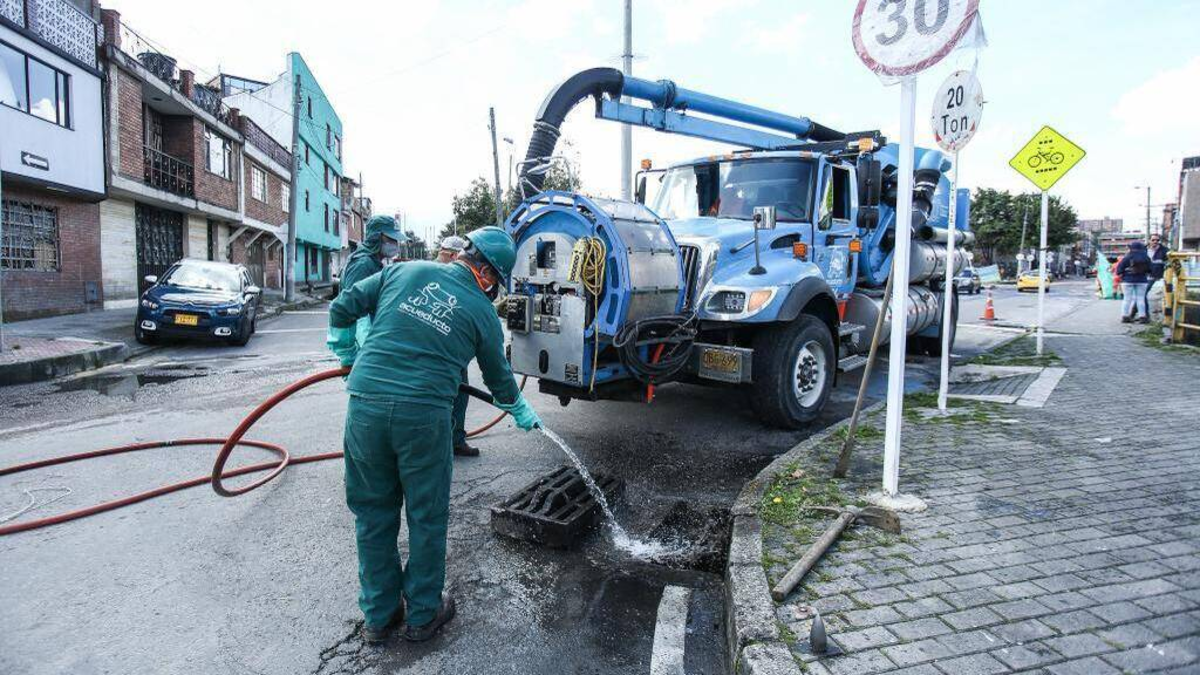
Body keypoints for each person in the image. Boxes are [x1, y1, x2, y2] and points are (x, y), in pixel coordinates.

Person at [326, 226, 542, 644]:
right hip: (423, 417)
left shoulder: (401, 272)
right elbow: (500, 379)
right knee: (425, 515)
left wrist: (348, 357)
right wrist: (520, 410)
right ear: (488, 276)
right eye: (495, 283)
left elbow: (342, 308)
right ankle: (423, 614)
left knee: (372, 514)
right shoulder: (481, 310)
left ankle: (379, 615)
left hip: (365, 405)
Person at [432, 236, 480, 457]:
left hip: (451, 351)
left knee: (459, 395)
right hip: (440, 352)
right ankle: (443, 444)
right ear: (453, 256)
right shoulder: (437, 276)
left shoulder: (433, 273)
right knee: (443, 398)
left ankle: (454, 439)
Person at [338, 215, 404, 346]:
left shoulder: (374, 263)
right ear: (377, 237)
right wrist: (369, 348)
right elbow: (355, 309)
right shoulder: (362, 265)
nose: (395, 244)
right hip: (363, 342)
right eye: (391, 239)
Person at [1116, 240, 1152, 323]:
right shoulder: (1146, 258)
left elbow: (1119, 270)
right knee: (1140, 299)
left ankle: (1125, 316)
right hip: (1142, 280)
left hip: (1127, 280)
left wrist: (1123, 274)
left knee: (1127, 299)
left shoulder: (1127, 257)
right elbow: (1150, 270)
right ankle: (1142, 317)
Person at [1145, 233, 1169, 312]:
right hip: (1144, 275)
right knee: (1140, 295)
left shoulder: (1165, 251)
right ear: (1149, 241)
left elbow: (1169, 263)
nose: (1155, 242)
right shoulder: (1144, 250)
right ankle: (1141, 314)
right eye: (1153, 240)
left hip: (1156, 276)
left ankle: (1143, 315)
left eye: (1157, 240)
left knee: (1143, 293)